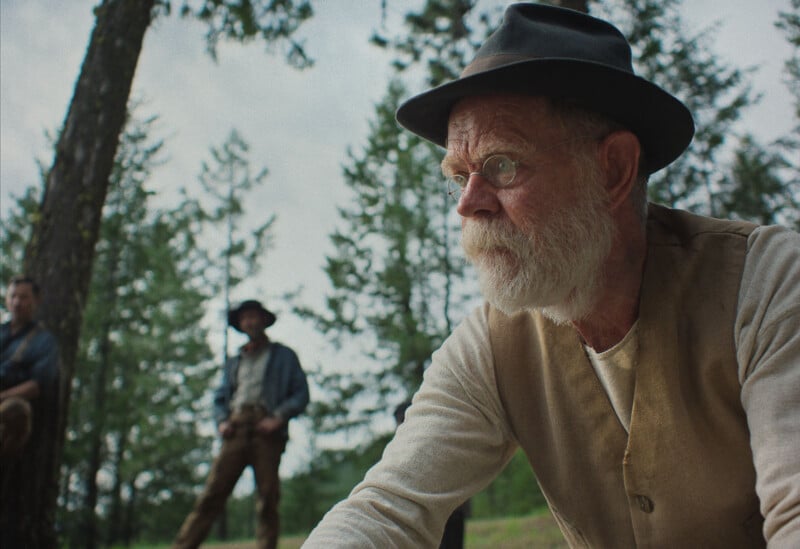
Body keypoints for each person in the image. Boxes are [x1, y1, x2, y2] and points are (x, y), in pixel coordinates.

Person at [303, 3, 800, 548]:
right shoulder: (492, 344)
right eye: (458, 176)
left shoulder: (766, 281)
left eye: (501, 165)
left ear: (613, 170)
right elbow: (388, 511)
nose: (468, 205)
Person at [173, 299, 309, 549]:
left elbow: (301, 394)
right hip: (235, 430)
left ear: (263, 320)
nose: (250, 322)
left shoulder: (283, 356)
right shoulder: (234, 361)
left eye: (253, 316)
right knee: (212, 495)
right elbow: (220, 398)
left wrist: (278, 417)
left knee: (268, 498)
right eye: (244, 318)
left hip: (267, 432)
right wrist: (222, 421)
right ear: (240, 324)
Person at [0, 275, 60, 543]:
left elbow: (38, 385)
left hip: (12, 411)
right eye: (13, 296)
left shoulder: (44, 341)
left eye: (24, 297)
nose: (17, 302)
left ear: (36, 301)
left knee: (15, 409)